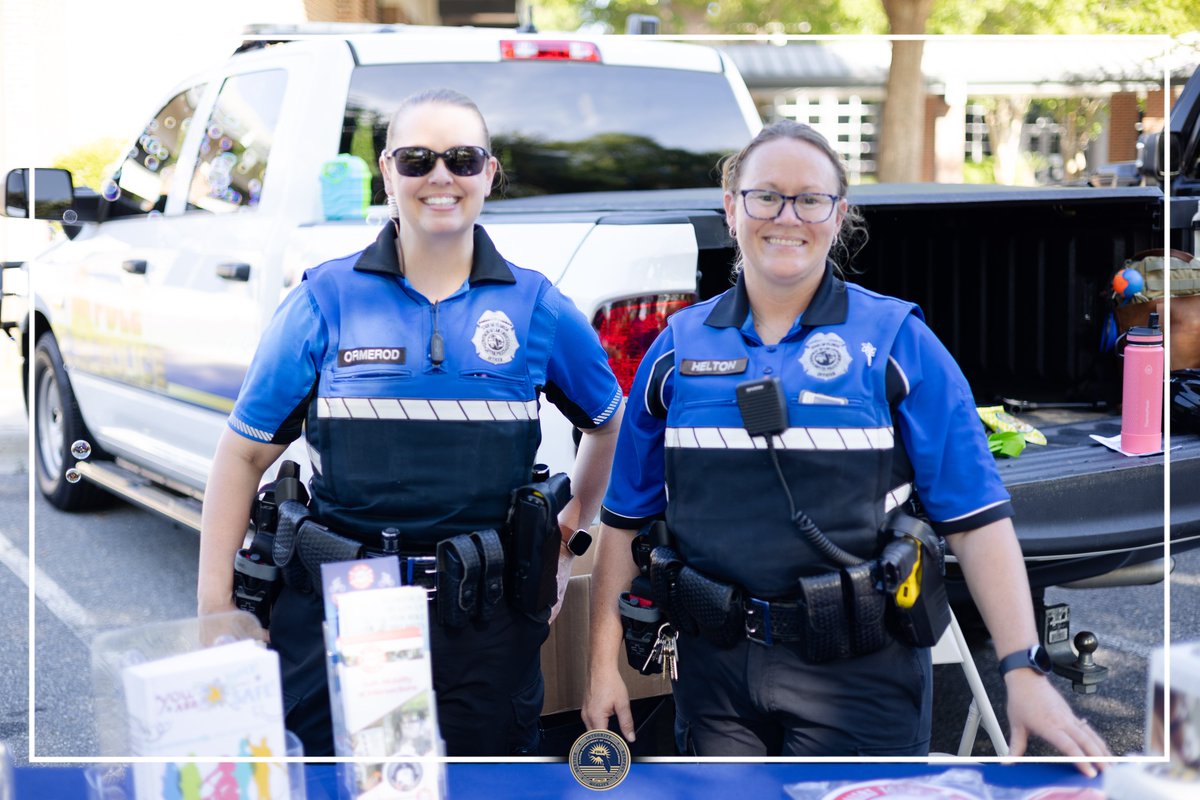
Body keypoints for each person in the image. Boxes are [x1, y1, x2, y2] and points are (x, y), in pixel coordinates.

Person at [581, 120, 1111, 771]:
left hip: (861, 680)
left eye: (810, 199)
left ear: (838, 216)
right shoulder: (674, 350)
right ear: (731, 207)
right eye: (765, 195)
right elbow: (622, 522)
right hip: (715, 681)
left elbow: (977, 521)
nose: (787, 215)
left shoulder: (898, 342)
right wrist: (601, 665)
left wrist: (1023, 672)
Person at [197, 88, 623, 757]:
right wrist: (215, 607)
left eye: (462, 157)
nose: (441, 176)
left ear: (489, 172)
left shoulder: (538, 306)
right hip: (343, 613)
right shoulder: (322, 301)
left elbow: (608, 424)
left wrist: (569, 536)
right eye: (418, 159)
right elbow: (242, 457)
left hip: (485, 627)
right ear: (388, 172)